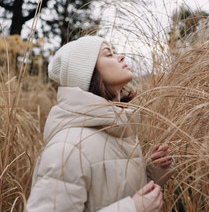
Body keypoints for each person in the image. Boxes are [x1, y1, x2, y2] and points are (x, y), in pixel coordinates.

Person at [27, 36, 174, 212]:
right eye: (108, 54)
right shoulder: (69, 147)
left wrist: (154, 169)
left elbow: (117, 194)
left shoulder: (117, 131)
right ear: (87, 73)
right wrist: (133, 209)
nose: (120, 57)